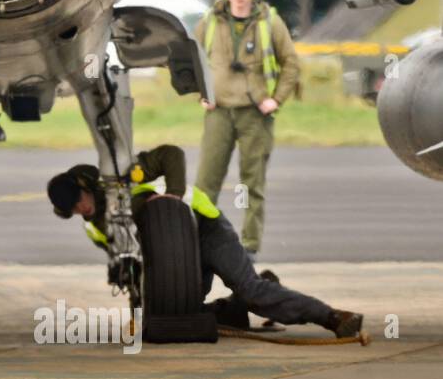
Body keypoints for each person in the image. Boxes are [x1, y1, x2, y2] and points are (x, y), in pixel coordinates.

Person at [46, 144, 362, 337]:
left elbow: (172, 154)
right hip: (176, 258)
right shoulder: (96, 229)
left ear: (86, 185)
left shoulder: (121, 178)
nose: (81, 207)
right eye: (74, 208)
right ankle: (236, 307)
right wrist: (139, 312)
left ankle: (332, 318)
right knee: (177, 318)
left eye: (81, 198)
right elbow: (132, 272)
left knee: (252, 291)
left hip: (204, 228)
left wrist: (173, 194)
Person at [194, 0, 300, 257]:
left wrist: (276, 99)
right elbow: (191, 59)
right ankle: (196, 240)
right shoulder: (209, 22)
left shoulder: (270, 22)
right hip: (219, 112)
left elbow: (291, 63)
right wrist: (200, 93)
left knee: (252, 183)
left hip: (255, 114)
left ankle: (249, 246)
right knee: (206, 182)